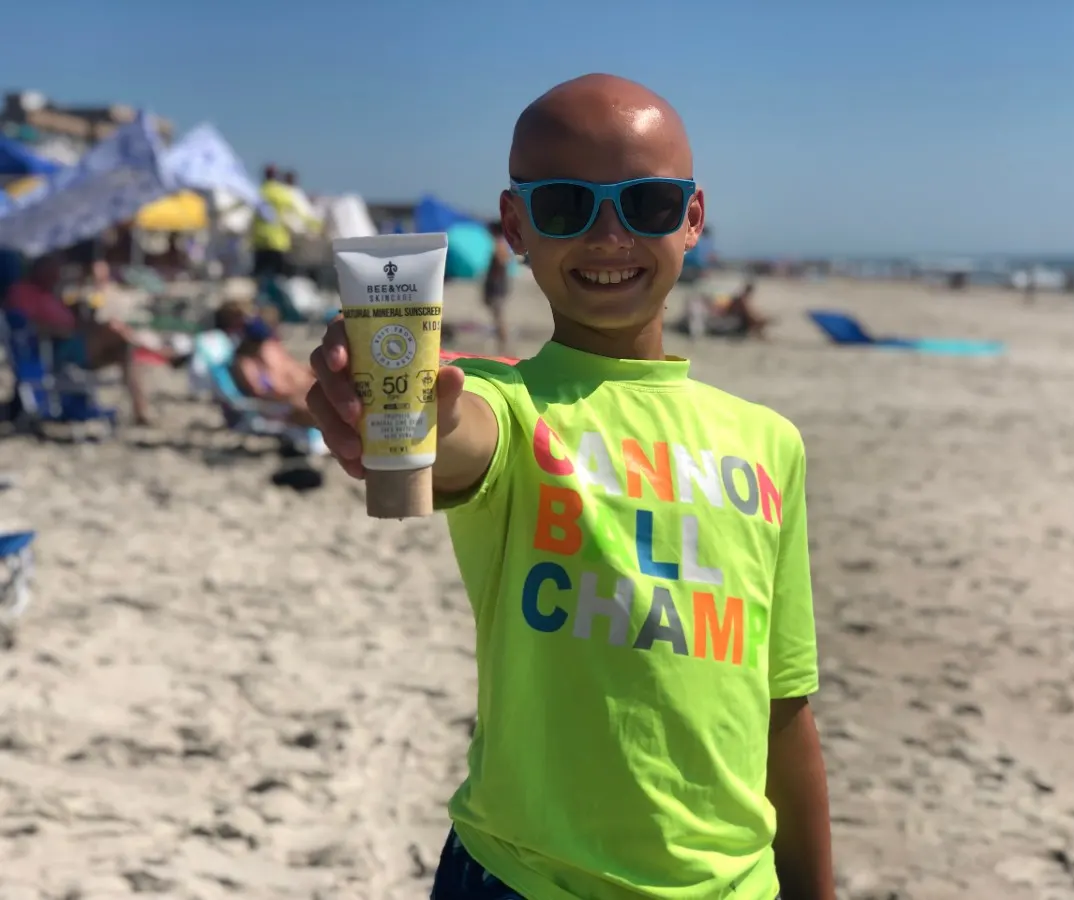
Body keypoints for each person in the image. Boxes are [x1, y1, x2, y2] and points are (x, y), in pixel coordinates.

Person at [306, 74, 834, 900]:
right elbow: (461, 434)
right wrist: (393, 393)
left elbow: (783, 709)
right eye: (565, 206)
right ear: (516, 226)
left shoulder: (770, 444)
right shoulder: (508, 401)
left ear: (693, 220)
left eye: (649, 205)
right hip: (519, 878)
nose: (610, 235)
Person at [3, 255, 153, 424]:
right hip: (55, 348)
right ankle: (160, 352)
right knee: (113, 329)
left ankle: (141, 410)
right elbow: (24, 325)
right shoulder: (24, 292)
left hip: (74, 341)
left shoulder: (51, 292)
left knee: (124, 350)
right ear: (40, 269)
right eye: (54, 269)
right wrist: (62, 329)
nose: (58, 273)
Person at [232, 317, 317, 425]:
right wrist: (291, 394)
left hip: (306, 384)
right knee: (317, 408)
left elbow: (293, 365)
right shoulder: (246, 364)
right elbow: (260, 391)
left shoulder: (271, 346)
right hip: (288, 399)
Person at [481, 220, 512, 355]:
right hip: (499, 285)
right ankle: (503, 345)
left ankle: (504, 346)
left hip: (497, 286)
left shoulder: (499, 244)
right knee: (498, 317)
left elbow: (501, 262)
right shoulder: (502, 243)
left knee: (499, 318)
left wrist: (493, 279)